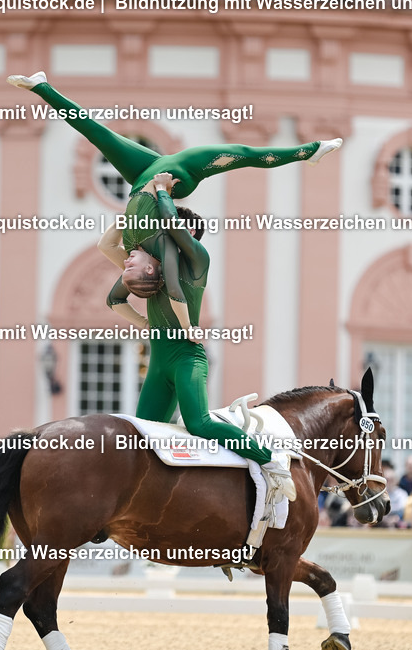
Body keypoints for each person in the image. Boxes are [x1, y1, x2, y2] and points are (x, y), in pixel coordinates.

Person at [9, 71, 342, 332]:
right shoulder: (159, 245)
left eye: (125, 269)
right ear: (153, 267)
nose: (126, 266)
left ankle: (41, 87)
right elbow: (173, 291)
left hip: (144, 175)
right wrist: (186, 327)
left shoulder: (132, 245)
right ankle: (310, 151)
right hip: (177, 177)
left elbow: (106, 258)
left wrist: (143, 320)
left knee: (97, 133)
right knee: (244, 154)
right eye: (132, 269)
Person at [97, 172, 296, 499]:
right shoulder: (154, 270)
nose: (152, 236)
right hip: (159, 364)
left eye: (160, 230)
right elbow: (109, 255)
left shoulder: (198, 259)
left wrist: (161, 191)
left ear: (187, 233)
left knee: (199, 424)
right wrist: (132, 213)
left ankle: (270, 459)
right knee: (139, 437)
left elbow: (172, 231)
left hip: (187, 359)